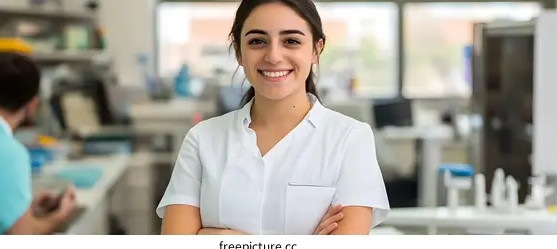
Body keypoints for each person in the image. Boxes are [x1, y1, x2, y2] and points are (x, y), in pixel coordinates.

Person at [157, 0, 390, 235]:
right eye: (257, 41)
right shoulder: (202, 139)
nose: (274, 56)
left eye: (291, 41)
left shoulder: (350, 139)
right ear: (238, 51)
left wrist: (218, 238)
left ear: (316, 50)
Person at [0, 54, 77, 235]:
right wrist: (60, 216)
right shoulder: (10, 153)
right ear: (31, 105)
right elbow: (20, 235)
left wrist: (24, 206)